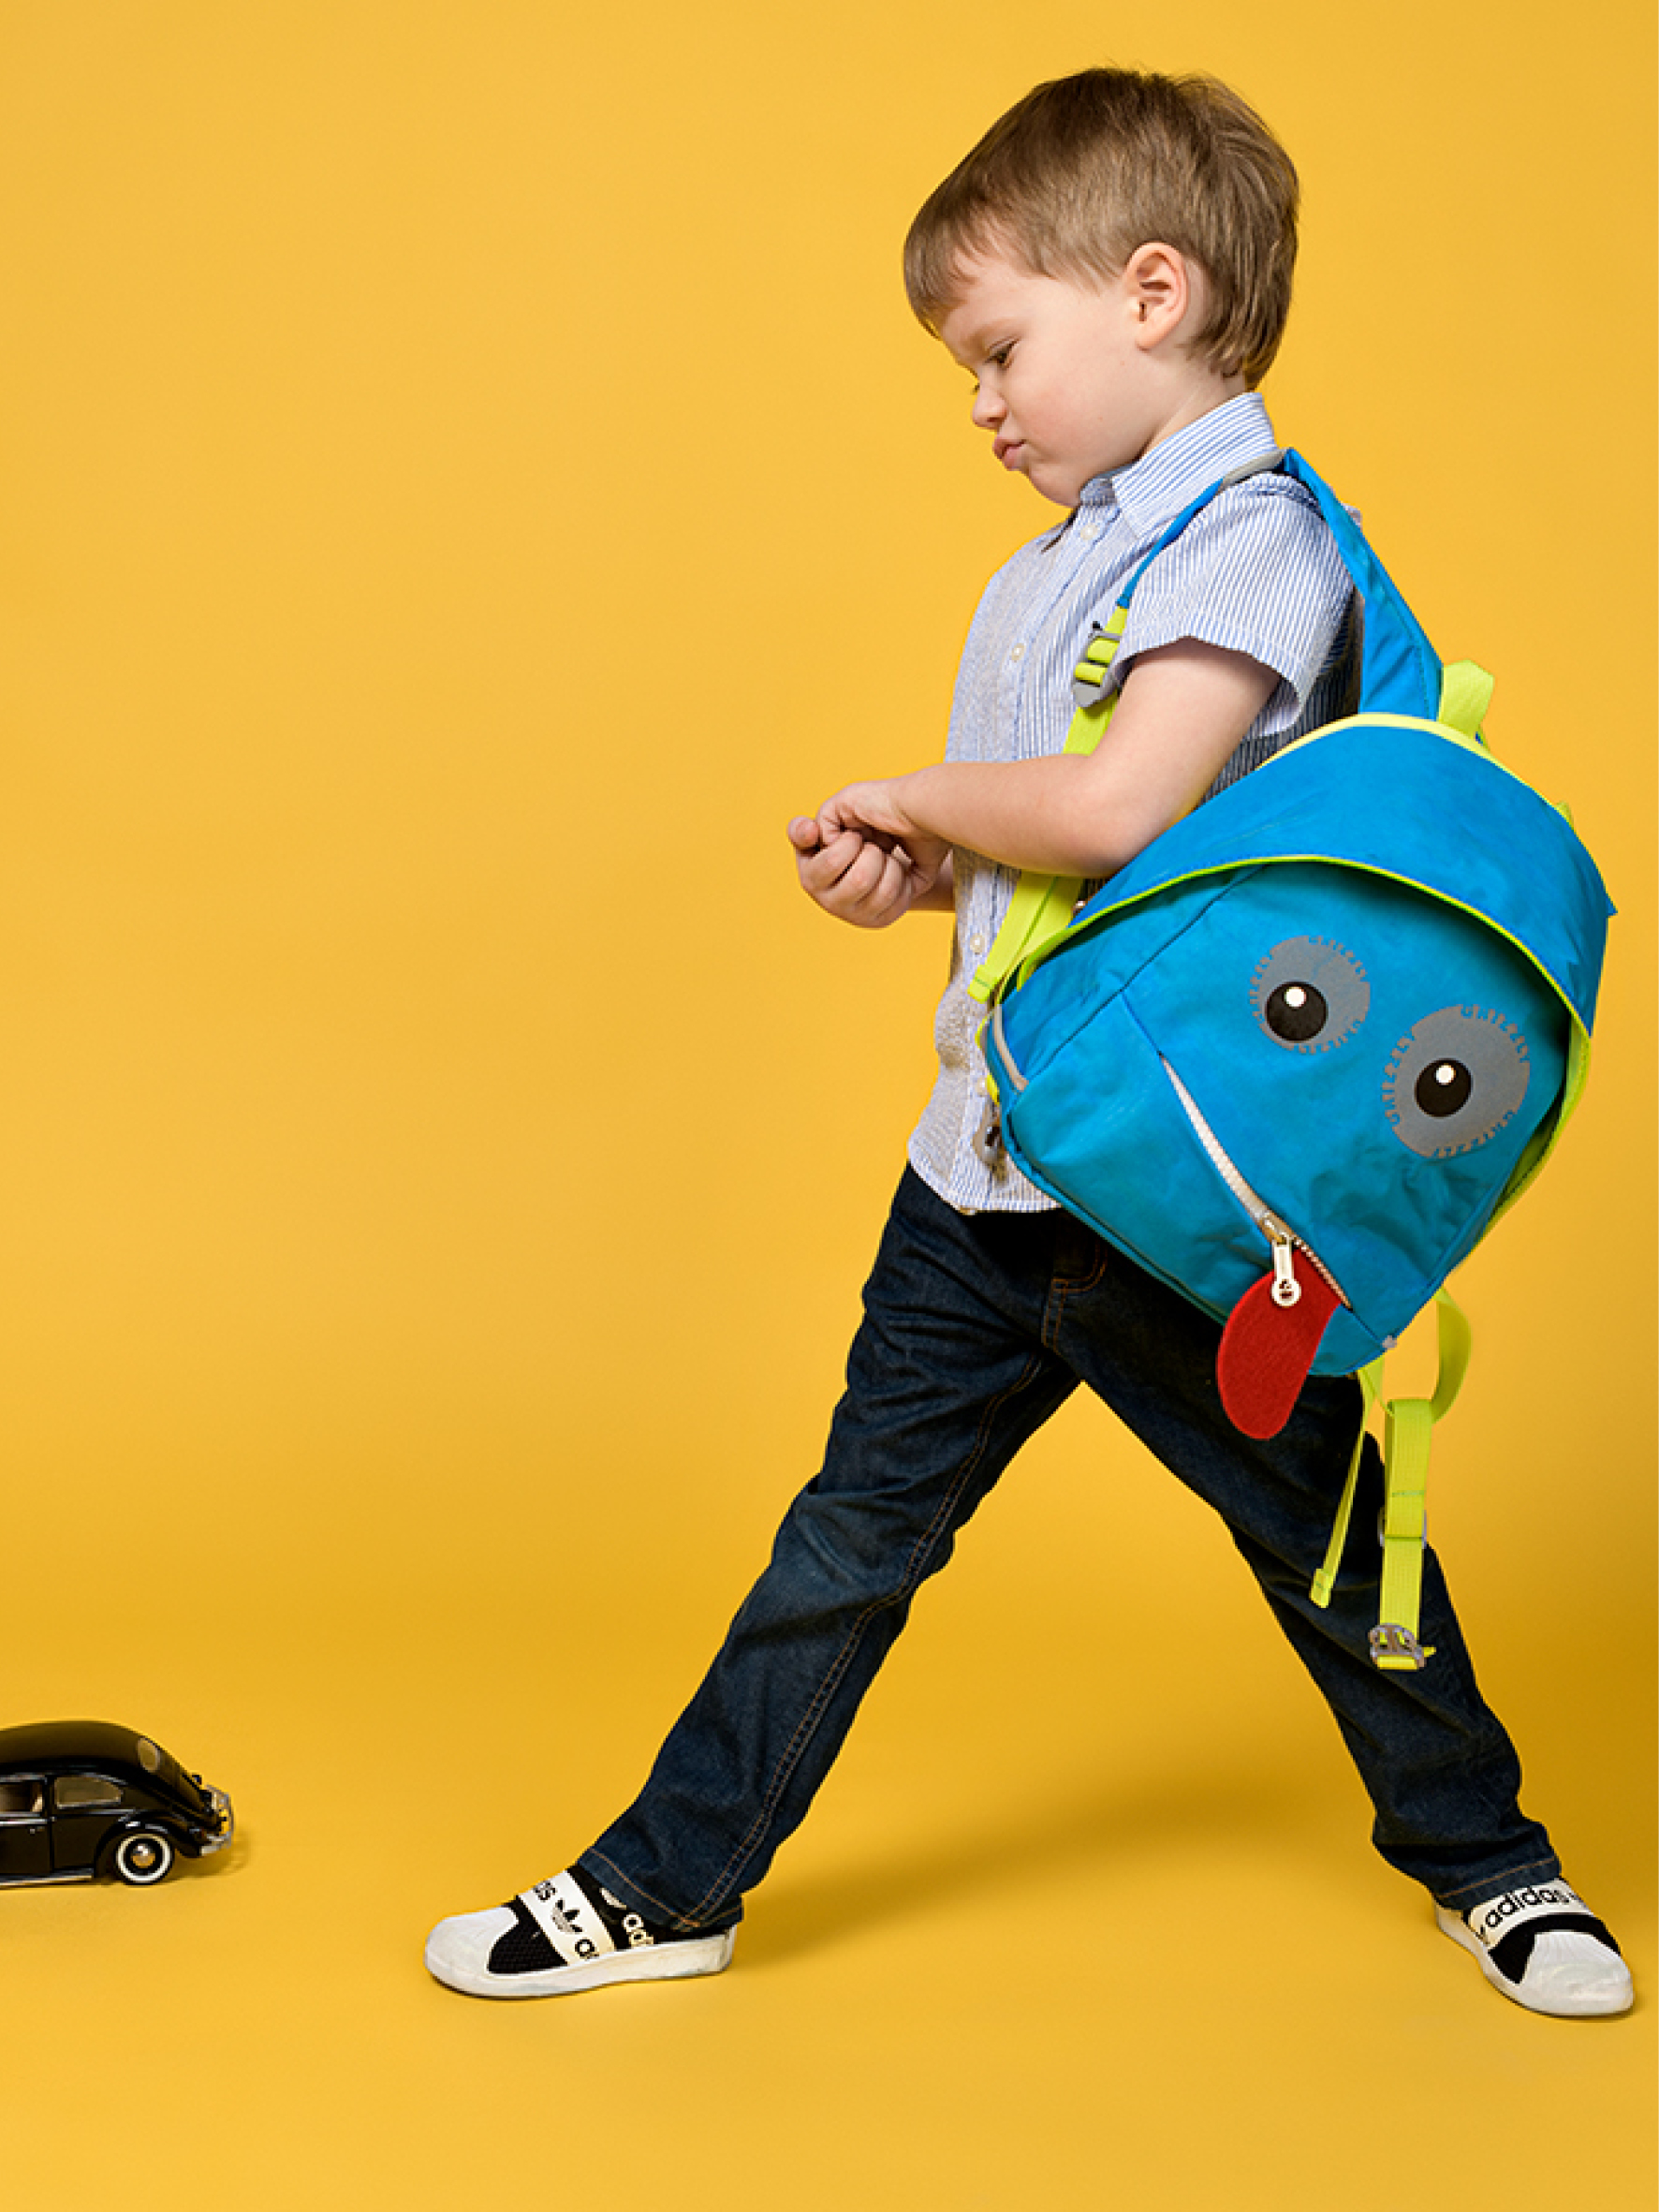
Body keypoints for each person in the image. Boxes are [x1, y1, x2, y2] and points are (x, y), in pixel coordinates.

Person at [424, 67, 1631, 2018]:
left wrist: (918, 787)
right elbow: (1095, 881)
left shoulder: (1247, 540)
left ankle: (1492, 1862)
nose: (980, 402)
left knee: (1338, 1554)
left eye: (998, 349)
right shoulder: (1054, 565)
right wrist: (926, 876)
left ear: (1153, 292)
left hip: (1189, 1203)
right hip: (988, 1169)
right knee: (847, 1542)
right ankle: (665, 1884)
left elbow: (1124, 804)